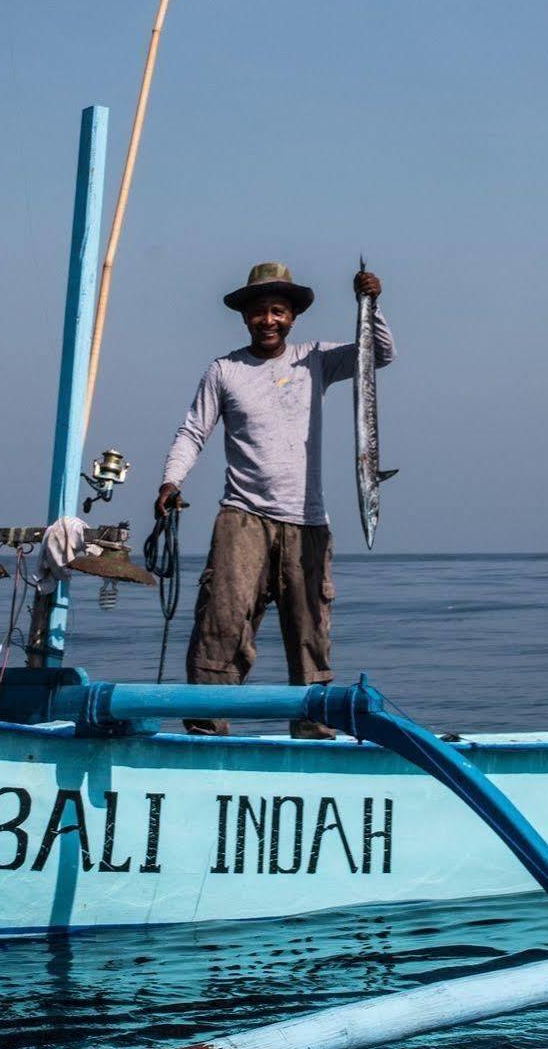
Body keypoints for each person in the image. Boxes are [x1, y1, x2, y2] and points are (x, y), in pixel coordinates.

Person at [155, 261, 395, 737]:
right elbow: (192, 431)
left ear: (292, 317)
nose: (269, 320)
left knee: (310, 633)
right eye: (260, 312)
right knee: (221, 624)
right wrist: (170, 481)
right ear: (245, 317)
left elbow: (380, 356)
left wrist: (371, 303)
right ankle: (206, 730)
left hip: (307, 521)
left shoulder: (315, 360)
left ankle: (314, 733)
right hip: (242, 516)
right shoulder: (224, 370)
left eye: (278, 312)